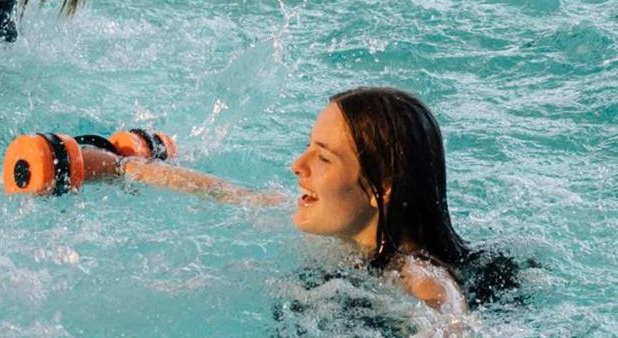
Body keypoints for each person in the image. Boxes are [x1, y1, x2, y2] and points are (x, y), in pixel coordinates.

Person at [81, 86, 519, 312]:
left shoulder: (421, 279)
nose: (297, 164)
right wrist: (125, 168)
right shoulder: (335, 225)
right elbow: (229, 193)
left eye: (323, 158)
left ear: (382, 186)